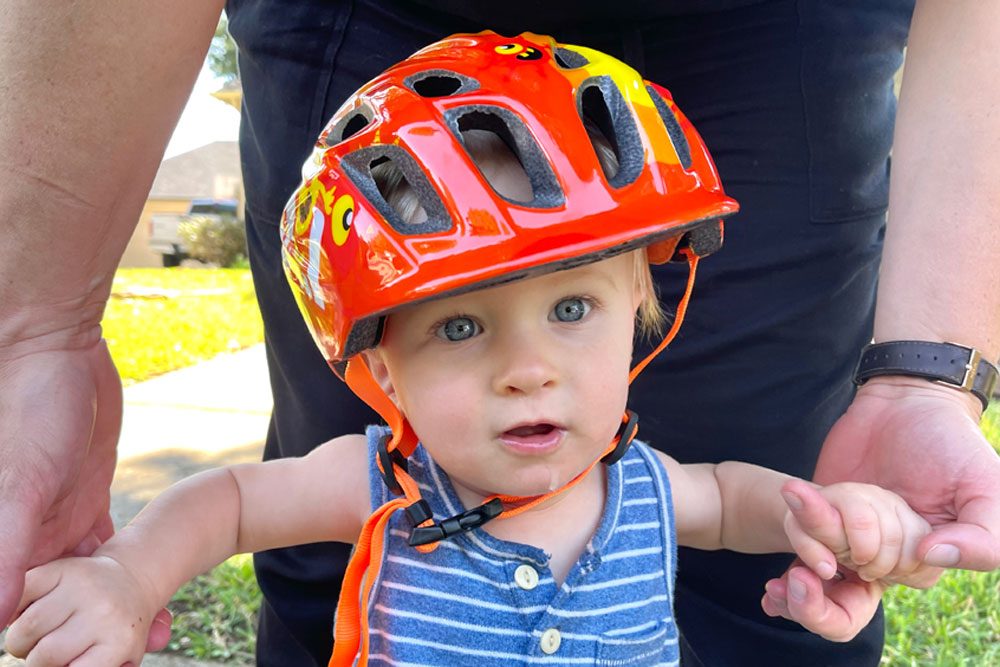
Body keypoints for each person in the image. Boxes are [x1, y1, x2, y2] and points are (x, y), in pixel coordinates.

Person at [1, 1, 998, 666]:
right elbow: (223, 504)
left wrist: (840, 520)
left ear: (644, 316)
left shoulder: (652, 489)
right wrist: (128, 576)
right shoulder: (381, 488)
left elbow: (749, 504)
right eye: (462, 323)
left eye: (572, 311)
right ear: (378, 358)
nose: (528, 370)